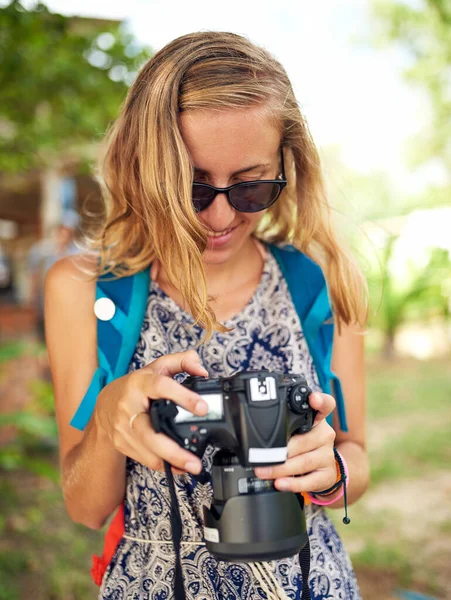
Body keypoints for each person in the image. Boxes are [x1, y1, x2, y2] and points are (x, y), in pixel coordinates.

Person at [45, 32, 369, 600]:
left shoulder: (318, 281)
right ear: (143, 167)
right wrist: (109, 419)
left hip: (308, 580)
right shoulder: (82, 290)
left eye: (251, 187)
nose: (219, 216)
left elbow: (357, 458)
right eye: (191, 187)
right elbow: (83, 507)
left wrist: (332, 470)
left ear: (286, 165)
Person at [29, 209, 80, 342]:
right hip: (46, 297)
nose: (64, 235)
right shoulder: (43, 252)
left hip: (69, 299)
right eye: (62, 231)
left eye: (68, 232)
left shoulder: (77, 253)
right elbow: (35, 276)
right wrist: (34, 296)